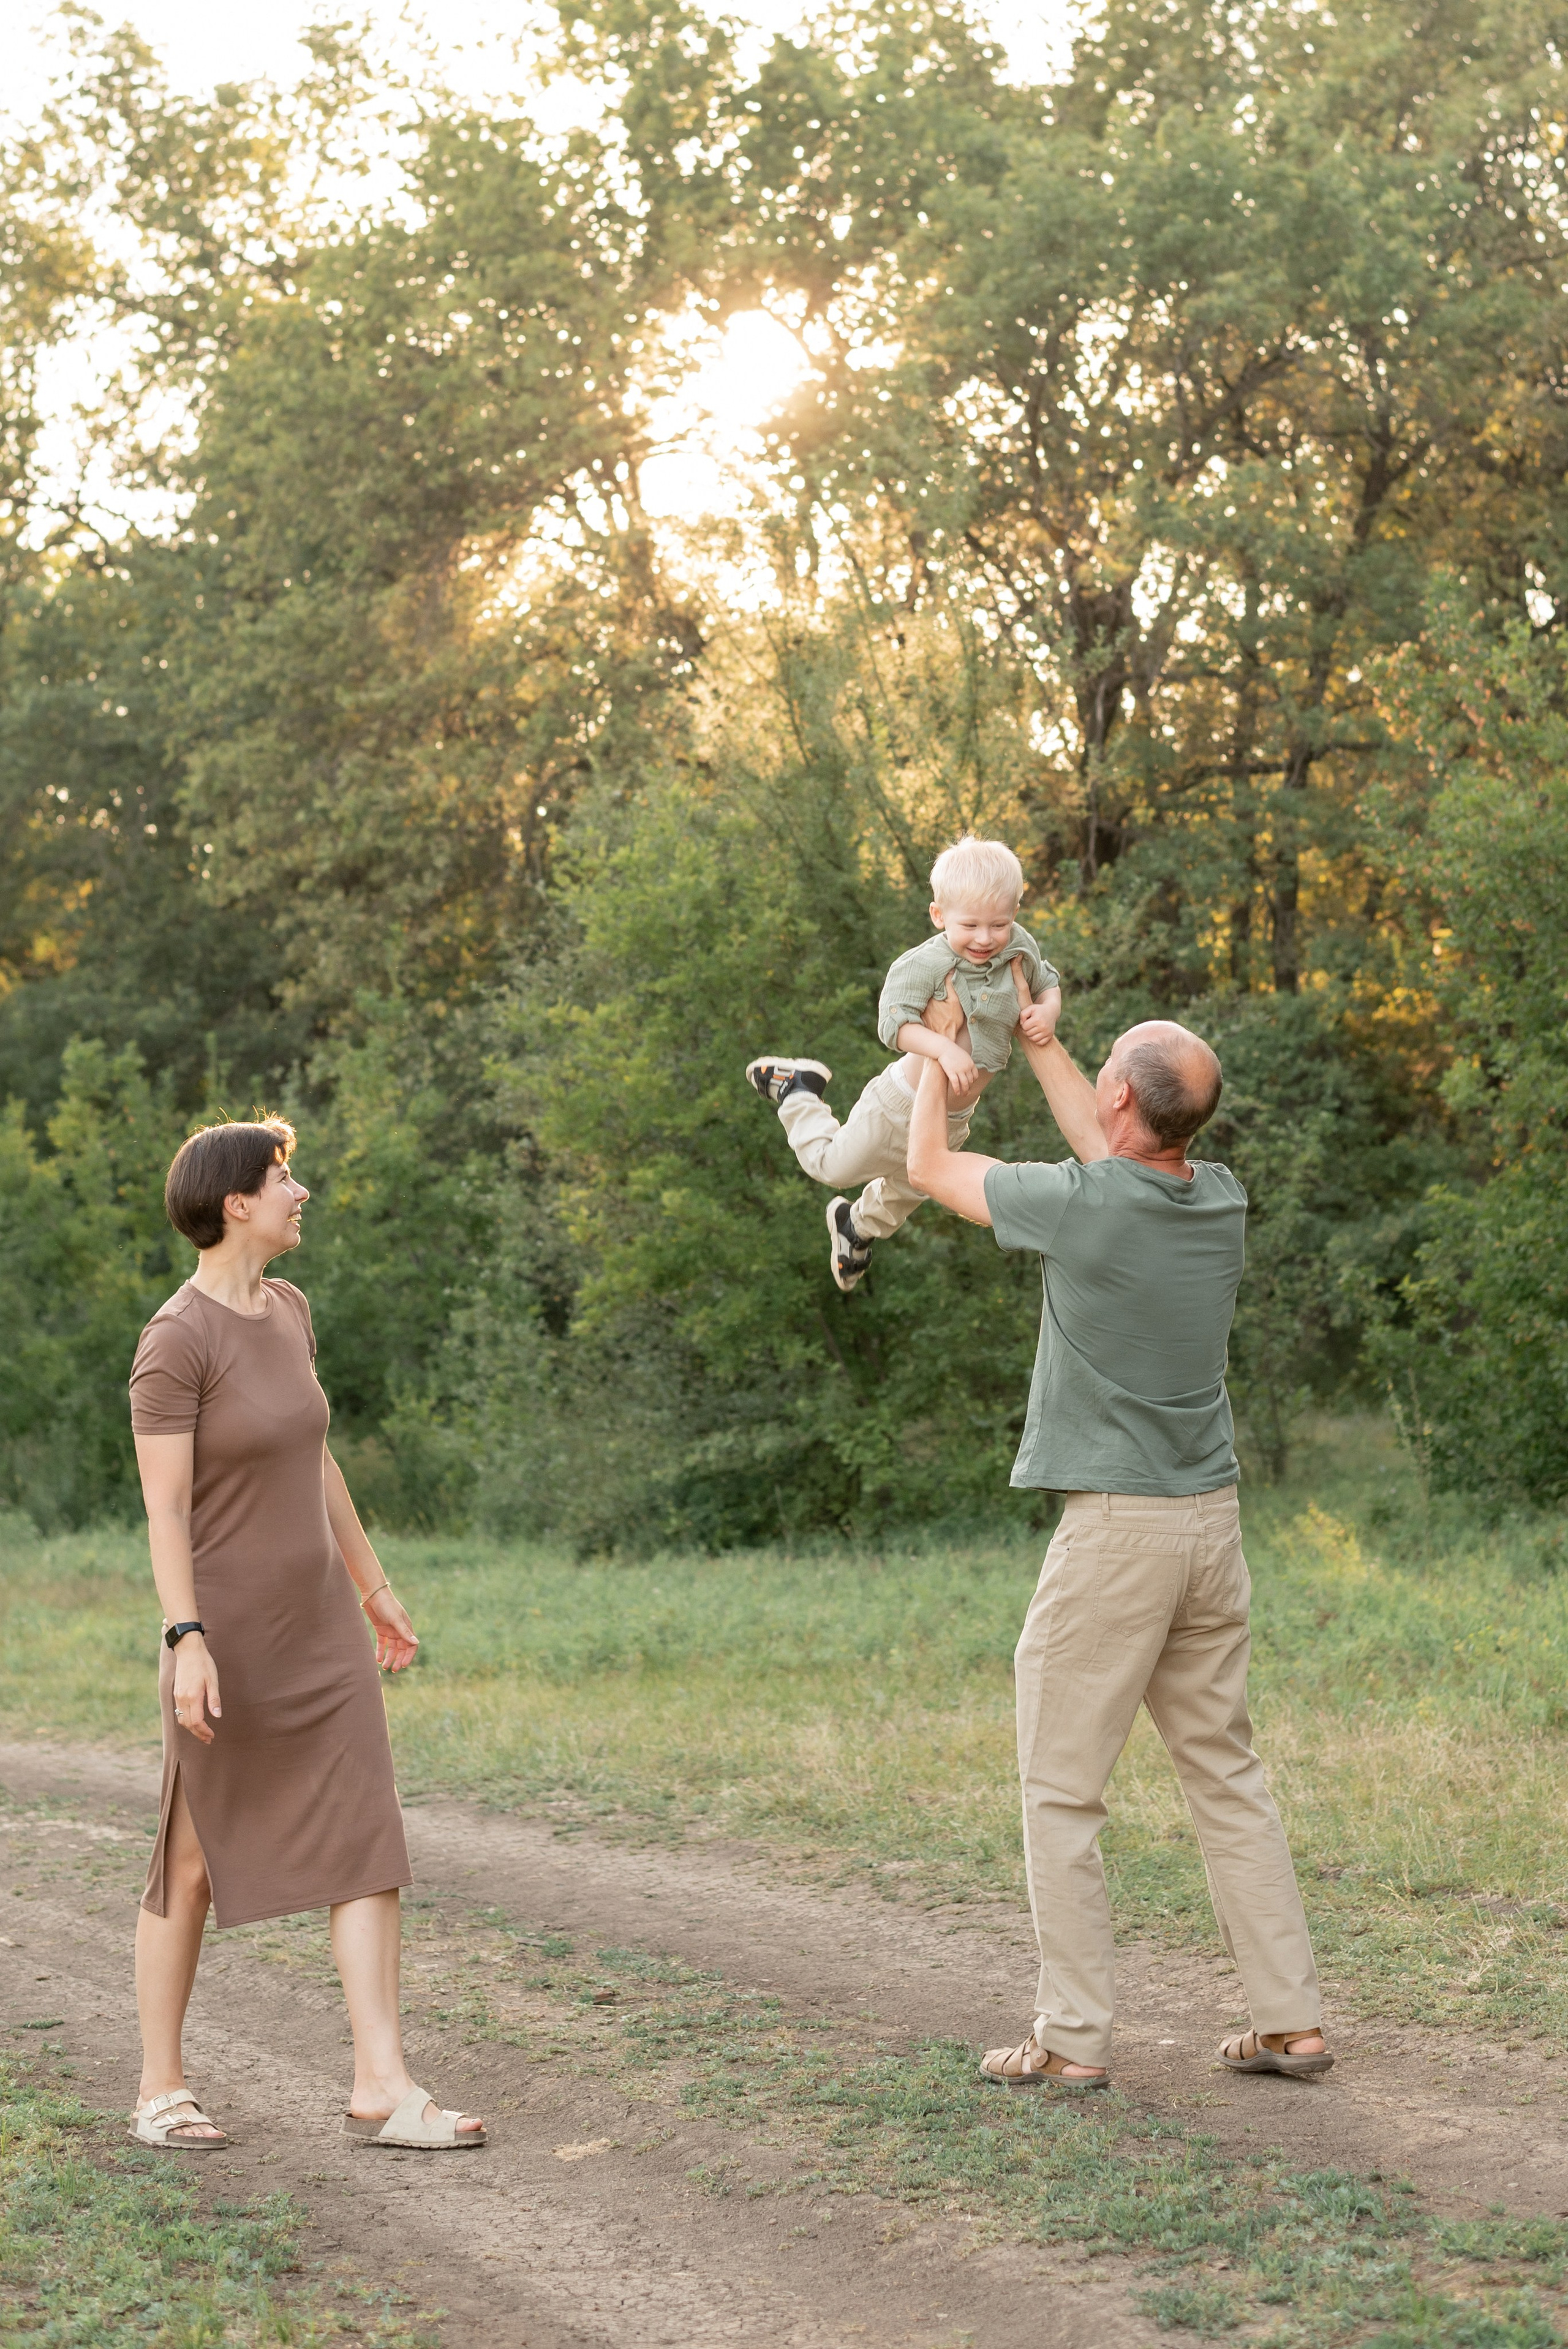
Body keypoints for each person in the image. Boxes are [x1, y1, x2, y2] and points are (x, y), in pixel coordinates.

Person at [905, 1019, 1330, 2092]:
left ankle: (1071, 2040)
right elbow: (1113, 1154)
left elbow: (926, 1167)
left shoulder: (1084, 1207)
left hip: (1118, 1535)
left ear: (1123, 1105)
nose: (1095, 1085)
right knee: (1227, 1774)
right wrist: (1046, 1046)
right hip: (1210, 1525)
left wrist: (929, 1056)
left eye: (1103, 1075)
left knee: (1061, 1789)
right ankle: (1291, 2022)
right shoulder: (1219, 1198)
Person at [127, 1118, 484, 2152]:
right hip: (225, 1631)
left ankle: (384, 2083)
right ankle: (161, 2087)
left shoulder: (289, 1309)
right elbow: (164, 1510)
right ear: (235, 1203)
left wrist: (374, 1585)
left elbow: (313, 1455)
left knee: (366, 1839)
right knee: (192, 1860)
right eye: (284, 1178)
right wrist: (185, 1635)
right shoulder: (175, 1339)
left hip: (322, 1624)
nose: (302, 1191)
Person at [744, 835, 1062, 1292]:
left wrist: (1046, 1010)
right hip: (901, 1102)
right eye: (969, 924)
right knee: (833, 1167)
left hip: (952, 1114)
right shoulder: (927, 962)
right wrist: (943, 1047)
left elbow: (1048, 982)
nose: (985, 938)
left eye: (1000, 923)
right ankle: (797, 1089)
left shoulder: (1019, 947)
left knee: (915, 1186)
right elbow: (893, 1025)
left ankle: (855, 1228)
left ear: (1015, 911)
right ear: (939, 916)